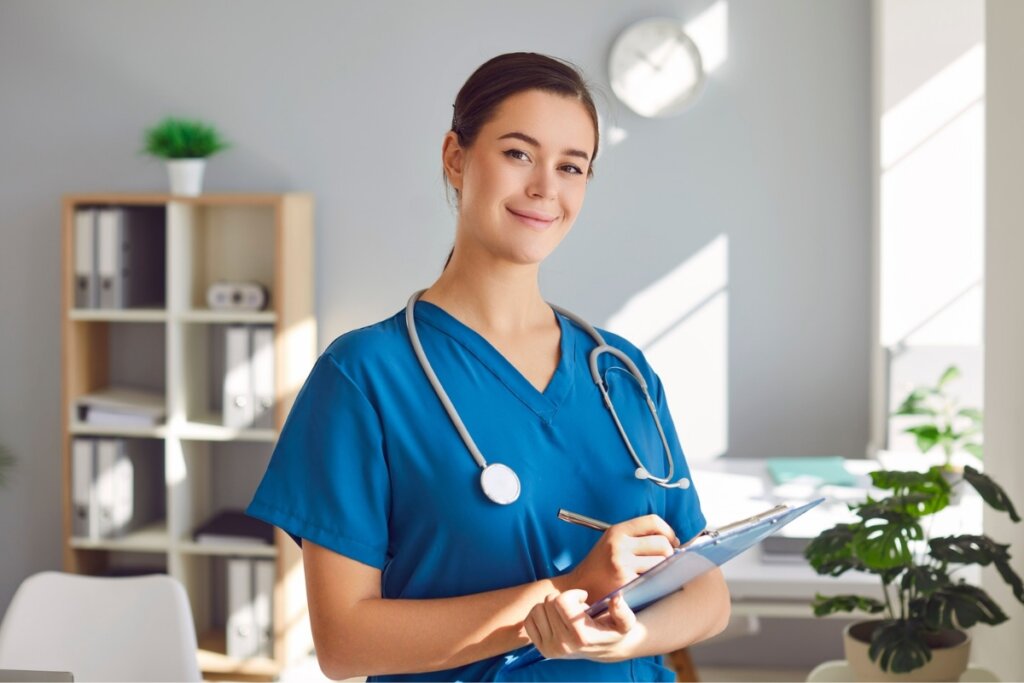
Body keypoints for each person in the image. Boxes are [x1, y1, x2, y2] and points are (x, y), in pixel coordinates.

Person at [246, 52, 731, 682]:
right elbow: (343, 643)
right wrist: (566, 590)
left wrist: (628, 638)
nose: (545, 189)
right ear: (455, 156)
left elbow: (707, 594)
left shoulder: (621, 372)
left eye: (571, 166)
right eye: (518, 154)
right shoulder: (365, 377)